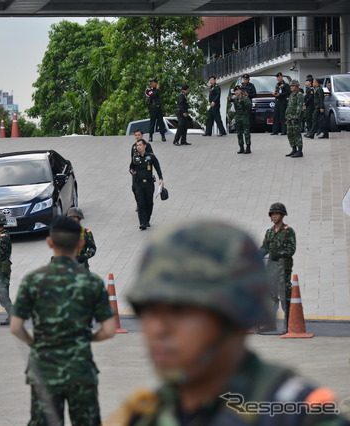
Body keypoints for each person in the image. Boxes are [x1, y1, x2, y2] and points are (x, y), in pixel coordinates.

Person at [105, 221, 347, 426]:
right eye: (148, 311)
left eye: (179, 311)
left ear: (235, 316)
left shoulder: (296, 415)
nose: (157, 329)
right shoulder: (145, 415)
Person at [10, 215, 116, 426]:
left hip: (44, 370)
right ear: (81, 243)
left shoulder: (33, 280)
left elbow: (16, 327)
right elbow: (109, 330)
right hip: (80, 370)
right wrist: (85, 338)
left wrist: (35, 342)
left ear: (50, 243)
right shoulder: (91, 281)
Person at [258, 203, 296, 335]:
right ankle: (271, 324)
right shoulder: (269, 232)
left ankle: (288, 325)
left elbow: (291, 249)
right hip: (271, 270)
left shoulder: (288, 231)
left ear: (282, 215)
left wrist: (281, 255)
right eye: (272, 214)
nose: (274, 216)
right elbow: (265, 247)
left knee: (285, 297)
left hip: (283, 270)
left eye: (277, 214)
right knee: (271, 298)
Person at [130, 139, 163, 230]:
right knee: (141, 203)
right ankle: (142, 222)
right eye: (137, 145)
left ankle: (147, 219)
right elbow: (131, 167)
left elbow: (157, 167)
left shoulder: (151, 157)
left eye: (140, 145)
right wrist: (132, 171)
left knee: (149, 203)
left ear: (145, 146)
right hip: (138, 183)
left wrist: (160, 178)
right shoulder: (135, 157)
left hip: (149, 183)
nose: (138, 147)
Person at [285, 80, 305, 158]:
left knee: (297, 134)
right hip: (289, 117)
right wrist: (287, 117)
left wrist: (297, 117)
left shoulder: (299, 95)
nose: (291, 87)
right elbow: (289, 106)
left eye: (293, 86)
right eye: (291, 86)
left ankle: (299, 151)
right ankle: (294, 149)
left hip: (295, 118)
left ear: (297, 86)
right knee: (290, 134)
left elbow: (299, 107)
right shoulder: (292, 94)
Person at [231, 85, 252, 154]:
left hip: (245, 116)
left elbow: (249, 107)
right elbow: (236, 108)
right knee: (239, 132)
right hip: (238, 117)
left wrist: (244, 104)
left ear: (241, 91)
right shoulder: (235, 99)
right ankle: (241, 147)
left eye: (238, 90)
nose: (236, 92)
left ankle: (248, 147)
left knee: (246, 132)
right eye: (235, 91)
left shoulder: (245, 98)